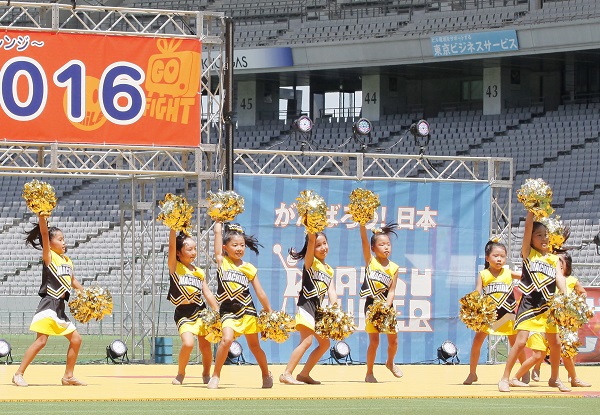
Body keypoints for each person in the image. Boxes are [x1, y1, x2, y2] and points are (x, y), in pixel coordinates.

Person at [498, 211, 569, 392]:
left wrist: (566, 294)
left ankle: (554, 378)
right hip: (529, 305)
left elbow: (559, 277)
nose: (544, 238)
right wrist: (531, 212)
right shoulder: (529, 253)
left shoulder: (554, 259)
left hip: (548, 306)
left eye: (546, 235)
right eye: (539, 235)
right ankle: (505, 378)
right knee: (520, 342)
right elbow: (527, 229)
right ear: (531, 239)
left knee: (556, 344)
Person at [12, 214, 86, 387]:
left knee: (76, 339)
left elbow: (73, 281)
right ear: (51, 243)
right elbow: (44, 234)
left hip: (60, 307)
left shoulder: (68, 261)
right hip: (48, 304)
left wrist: (87, 294)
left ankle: (68, 376)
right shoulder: (49, 257)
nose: (64, 242)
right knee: (42, 341)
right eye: (60, 239)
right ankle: (18, 374)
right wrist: (42, 217)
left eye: (64, 239)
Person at [208, 222, 273, 389]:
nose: (239, 248)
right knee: (226, 339)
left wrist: (269, 311)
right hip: (228, 310)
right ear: (225, 247)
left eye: (242, 245)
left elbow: (260, 293)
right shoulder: (222, 261)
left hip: (248, 310)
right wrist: (218, 220)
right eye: (234, 245)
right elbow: (217, 236)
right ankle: (215, 375)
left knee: (254, 346)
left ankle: (266, 374)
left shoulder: (249, 268)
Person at [463, 240, 527, 385]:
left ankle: (524, 372)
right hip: (490, 315)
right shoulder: (483, 274)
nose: (499, 259)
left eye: (502, 256)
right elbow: (477, 292)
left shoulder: (508, 272)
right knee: (477, 342)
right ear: (487, 258)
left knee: (516, 344)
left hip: (508, 314)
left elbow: (525, 276)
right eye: (495, 256)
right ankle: (472, 373)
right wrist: (474, 307)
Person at [279, 232, 338, 385]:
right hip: (306, 307)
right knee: (306, 341)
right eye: (318, 245)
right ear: (311, 248)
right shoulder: (310, 263)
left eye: (325, 243)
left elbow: (331, 291)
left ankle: (304, 374)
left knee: (325, 344)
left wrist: (335, 308)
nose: (323, 247)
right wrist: (312, 227)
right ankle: (287, 373)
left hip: (317, 311)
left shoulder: (329, 270)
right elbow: (311, 240)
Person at [529, 250, 591, 387]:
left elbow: (582, 292)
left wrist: (580, 299)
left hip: (565, 321)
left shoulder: (572, 280)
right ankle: (536, 369)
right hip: (550, 319)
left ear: (567, 265)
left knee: (567, 349)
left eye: (561, 262)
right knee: (543, 348)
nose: (558, 264)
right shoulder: (548, 279)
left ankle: (572, 377)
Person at [167, 229, 219, 386]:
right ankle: (181, 373)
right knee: (188, 343)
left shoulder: (199, 272)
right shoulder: (175, 267)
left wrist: (217, 310)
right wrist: (173, 227)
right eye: (189, 249)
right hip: (183, 314)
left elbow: (207, 293)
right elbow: (170, 246)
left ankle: (206, 373)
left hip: (200, 312)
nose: (193, 252)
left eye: (195, 248)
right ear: (178, 253)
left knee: (206, 347)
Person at [359, 223, 403, 383]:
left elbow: (392, 290)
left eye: (388, 244)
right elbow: (364, 240)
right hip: (371, 306)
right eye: (381, 244)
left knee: (394, 341)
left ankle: (390, 363)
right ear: (373, 248)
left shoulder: (394, 267)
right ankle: (369, 372)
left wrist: (387, 305)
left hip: (387, 307)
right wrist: (361, 223)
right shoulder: (371, 261)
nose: (386, 247)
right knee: (374, 341)